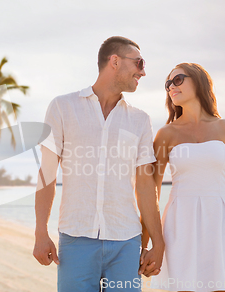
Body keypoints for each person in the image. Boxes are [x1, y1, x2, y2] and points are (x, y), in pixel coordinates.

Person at [33, 36, 165, 291]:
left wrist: (157, 243)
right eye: (139, 63)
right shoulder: (62, 107)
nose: (143, 71)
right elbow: (46, 174)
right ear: (114, 61)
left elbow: (146, 187)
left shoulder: (140, 120)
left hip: (127, 242)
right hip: (75, 239)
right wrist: (40, 231)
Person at [151, 63, 225, 292]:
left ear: (199, 82)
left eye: (178, 79)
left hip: (221, 223)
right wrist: (149, 242)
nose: (171, 86)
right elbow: (152, 191)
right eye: (168, 83)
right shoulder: (165, 134)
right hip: (179, 224)